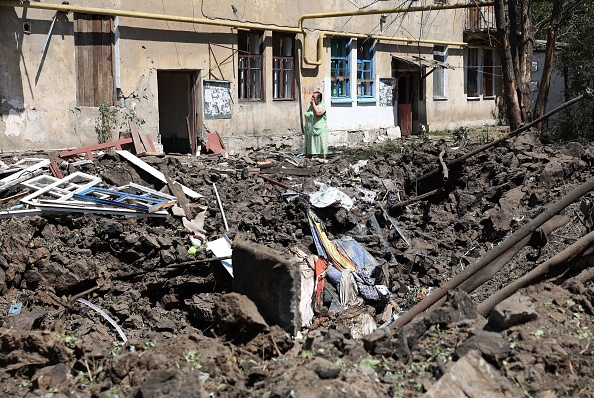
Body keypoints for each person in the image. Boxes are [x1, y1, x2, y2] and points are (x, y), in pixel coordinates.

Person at [304, 91, 328, 159]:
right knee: (309, 150)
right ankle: (307, 166)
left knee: (320, 149)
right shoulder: (311, 106)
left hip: (319, 132)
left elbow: (318, 113)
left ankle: (322, 165)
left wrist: (313, 104)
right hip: (310, 132)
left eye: (313, 97)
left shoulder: (322, 106)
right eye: (312, 97)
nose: (312, 99)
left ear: (318, 99)